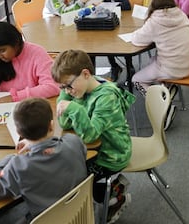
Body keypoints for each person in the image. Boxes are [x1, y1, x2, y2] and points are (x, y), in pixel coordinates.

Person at [53, 50, 135, 223]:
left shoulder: (106, 97)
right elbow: (65, 124)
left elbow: (90, 135)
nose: (67, 91)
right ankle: (107, 191)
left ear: (85, 73)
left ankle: (114, 193)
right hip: (95, 150)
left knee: (70, 180)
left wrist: (73, 108)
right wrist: (65, 97)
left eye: (68, 85)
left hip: (112, 155)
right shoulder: (82, 89)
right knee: (62, 171)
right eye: (63, 87)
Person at [0, 98, 88, 223]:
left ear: (19, 132)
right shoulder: (74, 142)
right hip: (81, 215)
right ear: (51, 125)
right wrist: (37, 144)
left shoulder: (19, 166)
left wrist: (10, 159)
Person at [130, 0, 189, 130]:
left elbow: (137, 39)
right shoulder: (181, 14)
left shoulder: (155, 21)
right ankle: (167, 87)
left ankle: (163, 109)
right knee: (153, 60)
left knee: (136, 80)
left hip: (172, 68)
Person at [92, 0, 135, 81]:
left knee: (120, 42)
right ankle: (114, 66)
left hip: (121, 23)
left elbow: (127, 6)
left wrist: (106, 5)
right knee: (101, 42)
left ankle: (129, 67)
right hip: (104, 24)